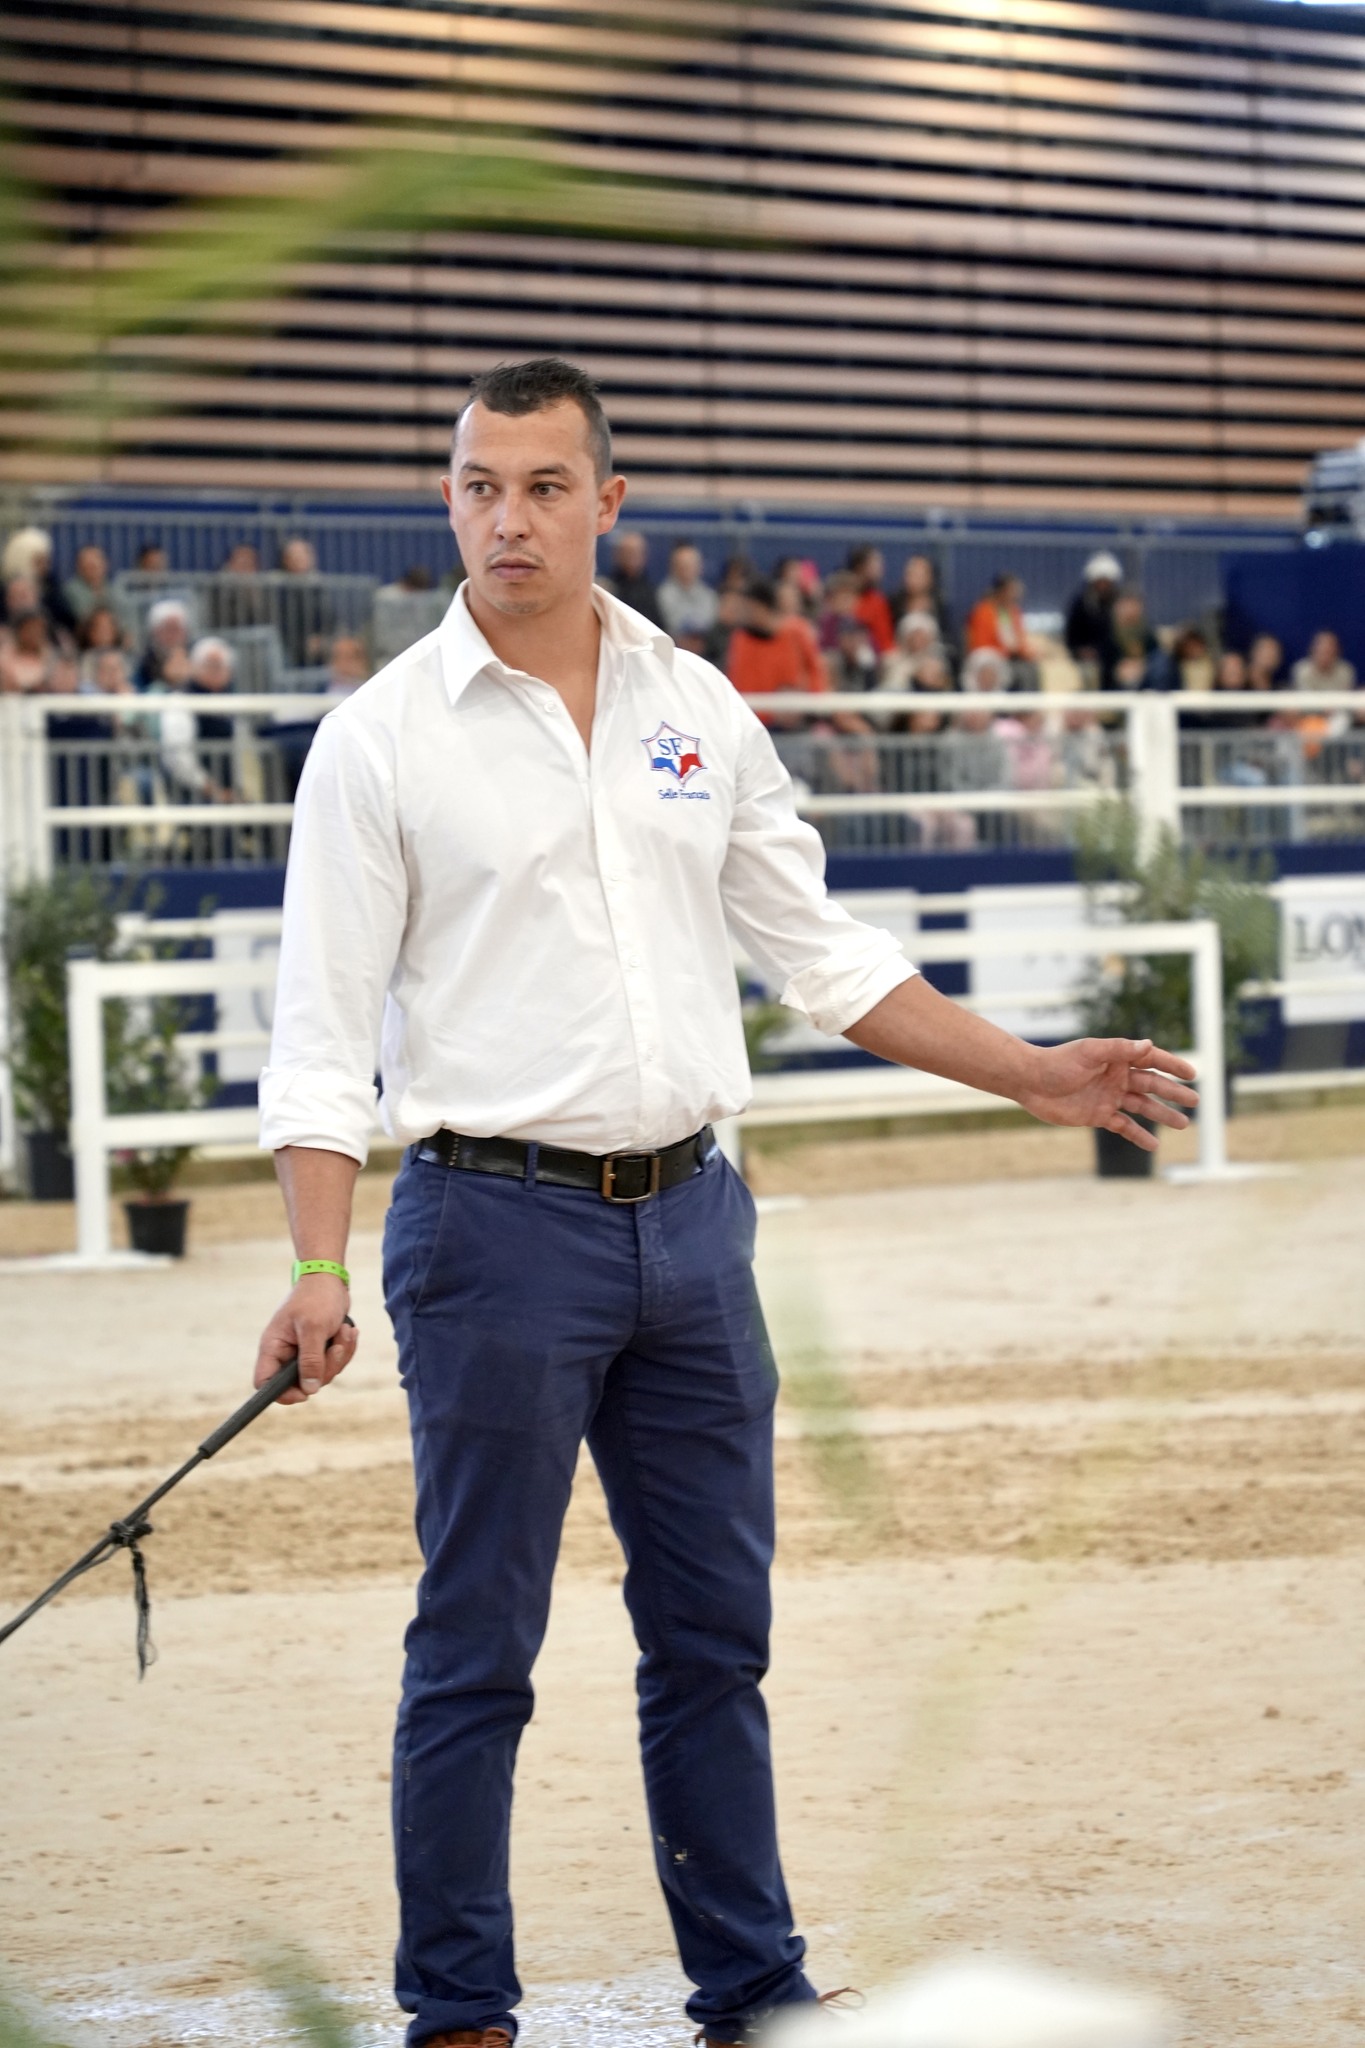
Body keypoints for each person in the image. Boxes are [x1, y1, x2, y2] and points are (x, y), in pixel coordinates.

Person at [250, 355, 1196, 2048]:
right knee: (476, 1645)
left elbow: (826, 957)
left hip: (696, 1223)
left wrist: (1035, 1074)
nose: (508, 517)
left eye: (544, 485)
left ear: (609, 502)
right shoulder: (377, 739)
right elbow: (320, 1041)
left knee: (715, 1639)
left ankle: (752, 1989)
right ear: (448, 501)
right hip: (488, 1228)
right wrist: (317, 1263)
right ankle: (458, 2009)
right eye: (478, 485)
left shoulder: (698, 706)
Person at [157, 636, 239, 802]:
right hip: (191, 794)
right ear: (194, 667)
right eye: (211, 666)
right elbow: (178, 757)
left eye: (221, 666)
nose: (217, 672)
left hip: (227, 792)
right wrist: (209, 788)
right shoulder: (180, 700)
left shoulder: (230, 700)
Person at [966, 572, 1037, 688]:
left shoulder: (1014, 611)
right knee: (1023, 673)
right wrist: (1006, 651)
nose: (1016, 596)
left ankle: (1032, 699)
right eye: (1012, 591)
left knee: (1032, 668)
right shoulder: (983, 611)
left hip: (1010, 658)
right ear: (1001, 592)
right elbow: (980, 645)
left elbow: (1018, 640)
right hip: (989, 659)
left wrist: (1027, 652)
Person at [1064, 552, 1122, 685]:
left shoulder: (1119, 604)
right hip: (1085, 658)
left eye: (1106, 582)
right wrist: (1080, 651)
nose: (1103, 586)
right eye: (1099, 582)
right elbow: (1071, 636)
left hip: (1112, 655)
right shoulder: (1081, 604)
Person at [1100, 591, 1175, 692]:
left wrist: (1142, 665)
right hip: (1119, 681)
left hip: (1147, 676)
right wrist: (1122, 667)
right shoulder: (1109, 636)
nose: (1131, 612)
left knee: (1161, 661)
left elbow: (1155, 655)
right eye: (1127, 608)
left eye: (1134, 607)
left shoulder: (1146, 634)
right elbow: (1107, 664)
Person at [656, 540, 720, 653]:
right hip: (673, 650)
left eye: (690, 565)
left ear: (700, 566)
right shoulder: (662, 595)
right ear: (673, 567)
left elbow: (708, 624)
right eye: (682, 565)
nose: (686, 569)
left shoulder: (709, 596)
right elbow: (672, 624)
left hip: (705, 651)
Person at [600, 527, 661, 623]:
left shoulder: (653, 592)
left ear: (644, 556)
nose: (631, 558)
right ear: (617, 555)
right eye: (627, 552)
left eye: (635, 553)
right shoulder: (607, 588)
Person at [846, 544, 895, 654]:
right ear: (860, 567)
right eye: (875, 563)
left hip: (876, 656)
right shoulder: (839, 596)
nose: (881, 568)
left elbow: (885, 641)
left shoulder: (877, 601)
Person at [134, 597, 193, 690]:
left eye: (177, 629)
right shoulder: (146, 660)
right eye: (168, 629)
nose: (173, 635)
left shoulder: (195, 654)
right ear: (155, 632)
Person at [1291, 629, 1356, 694]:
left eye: (1329, 652)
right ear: (1313, 650)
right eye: (1322, 652)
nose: (1325, 656)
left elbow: (1344, 697)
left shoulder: (1345, 671)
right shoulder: (1302, 670)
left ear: (1337, 652)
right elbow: (1306, 698)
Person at [62, 543, 112, 626]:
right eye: (88, 566)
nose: (92, 571)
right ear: (79, 567)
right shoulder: (70, 591)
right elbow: (84, 618)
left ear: (105, 564)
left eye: (95, 566)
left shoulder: (113, 588)